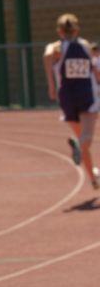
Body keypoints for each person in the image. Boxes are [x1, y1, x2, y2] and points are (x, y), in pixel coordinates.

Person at [43, 13, 100, 187]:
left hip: (66, 97)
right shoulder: (85, 46)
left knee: (82, 139)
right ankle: (77, 144)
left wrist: (51, 85)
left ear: (59, 31)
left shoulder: (57, 49)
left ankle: (93, 178)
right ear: (77, 30)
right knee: (86, 137)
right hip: (86, 95)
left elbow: (47, 56)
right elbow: (96, 70)